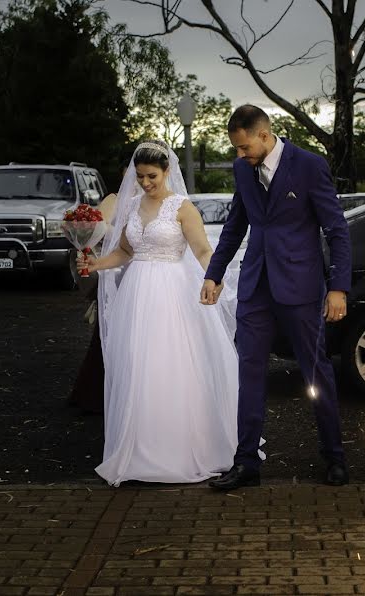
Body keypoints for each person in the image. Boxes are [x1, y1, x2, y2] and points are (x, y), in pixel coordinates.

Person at [201, 105, 352, 489]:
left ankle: (334, 457)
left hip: (301, 289)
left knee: (316, 373)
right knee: (248, 375)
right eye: (236, 149)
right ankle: (246, 462)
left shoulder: (309, 165)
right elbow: (236, 225)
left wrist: (338, 287)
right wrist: (213, 274)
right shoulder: (242, 170)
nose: (239, 155)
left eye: (243, 147)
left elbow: (337, 229)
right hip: (255, 289)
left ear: (264, 136)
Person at [77, 140, 239, 486]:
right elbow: (123, 251)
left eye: (152, 176)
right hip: (137, 294)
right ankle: (138, 450)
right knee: (138, 365)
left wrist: (215, 278)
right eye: (140, 176)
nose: (146, 183)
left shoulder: (182, 207)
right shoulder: (132, 206)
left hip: (173, 294)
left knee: (173, 366)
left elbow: (202, 250)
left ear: (167, 172)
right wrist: (96, 264)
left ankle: (179, 449)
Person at [67, 192, 117, 414]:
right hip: (115, 269)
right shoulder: (115, 200)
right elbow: (98, 230)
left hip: (145, 271)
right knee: (108, 334)